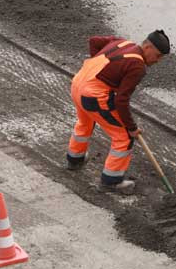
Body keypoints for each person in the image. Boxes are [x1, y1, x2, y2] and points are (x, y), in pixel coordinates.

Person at [66, 30, 170, 194]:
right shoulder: (137, 66)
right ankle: (111, 181)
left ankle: (74, 159)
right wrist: (131, 127)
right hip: (93, 96)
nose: (157, 61)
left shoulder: (122, 42)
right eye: (157, 56)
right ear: (148, 46)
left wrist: (100, 73)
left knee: (86, 121)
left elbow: (94, 40)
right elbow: (121, 100)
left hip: (78, 84)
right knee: (124, 137)